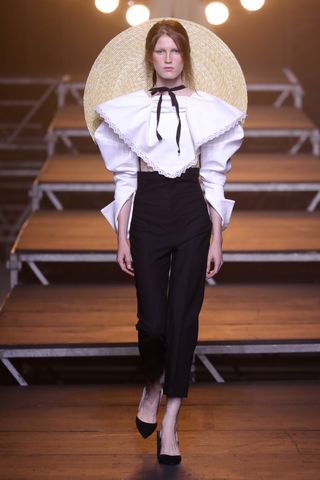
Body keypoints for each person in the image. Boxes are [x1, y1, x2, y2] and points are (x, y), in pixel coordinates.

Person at [84, 18, 247, 466]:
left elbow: (214, 176)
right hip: (148, 211)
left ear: (185, 57)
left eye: (176, 51)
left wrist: (217, 236)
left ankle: (171, 423)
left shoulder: (207, 109)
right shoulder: (128, 109)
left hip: (191, 211)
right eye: (161, 51)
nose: (169, 58)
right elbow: (123, 177)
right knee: (152, 322)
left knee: (183, 319)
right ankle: (153, 383)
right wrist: (121, 234)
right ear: (150, 57)